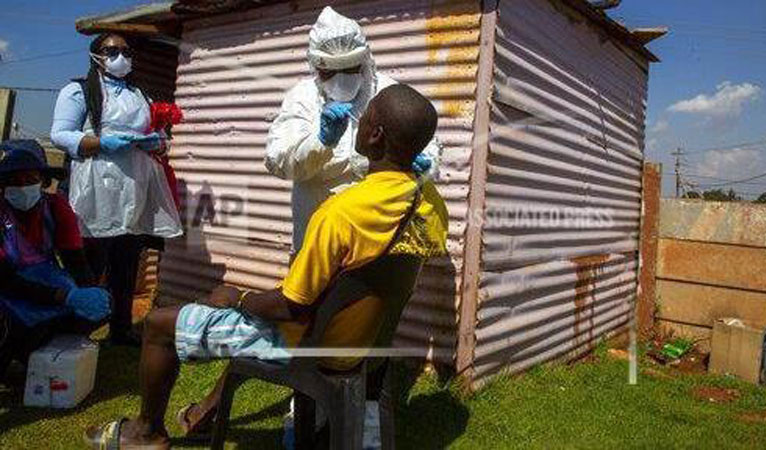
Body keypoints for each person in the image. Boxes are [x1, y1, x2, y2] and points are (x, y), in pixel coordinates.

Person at [84, 84, 448, 449]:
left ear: (374, 133)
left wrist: (237, 297)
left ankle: (146, 434)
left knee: (160, 323)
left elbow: (290, 305)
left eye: (365, 114)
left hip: (305, 345)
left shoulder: (342, 213)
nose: (359, 119)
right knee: (247, 316)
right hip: (361, 344)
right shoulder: (430, 204)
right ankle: (203, 414)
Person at [265, 6, 442, 253]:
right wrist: (320, 142)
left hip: (377, 239)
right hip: (317, 237)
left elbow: (424, 139)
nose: (341, 80)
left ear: (364, 62)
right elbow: (279, 163)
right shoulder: (302, 98)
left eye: (350, 69)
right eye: (330, 72)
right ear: (317, 69)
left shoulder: (387, 92)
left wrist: (426, 163)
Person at [50, 33, 182, 346]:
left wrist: (158, 143)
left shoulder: (140, 95)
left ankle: (121, 329)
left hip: (132, 188)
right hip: (94, 185)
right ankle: (74, 331)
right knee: (90, 263)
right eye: (112, 50)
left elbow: (160, 138)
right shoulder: (79, 91)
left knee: (126, 265)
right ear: (96, 55)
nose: (121, 56)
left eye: (125, 51)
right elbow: (60, 134)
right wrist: (101, 143)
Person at [0, 140, 110, 376]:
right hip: (10, 290)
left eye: (29, 180)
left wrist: (88, 295)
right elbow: (5, 280)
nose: (22, 187)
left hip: (46, 283)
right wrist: (63, 296)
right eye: (13, 182)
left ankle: (43, 354)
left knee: (90, 310)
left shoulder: (55, 207)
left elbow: (75, 260)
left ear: (43, 182)